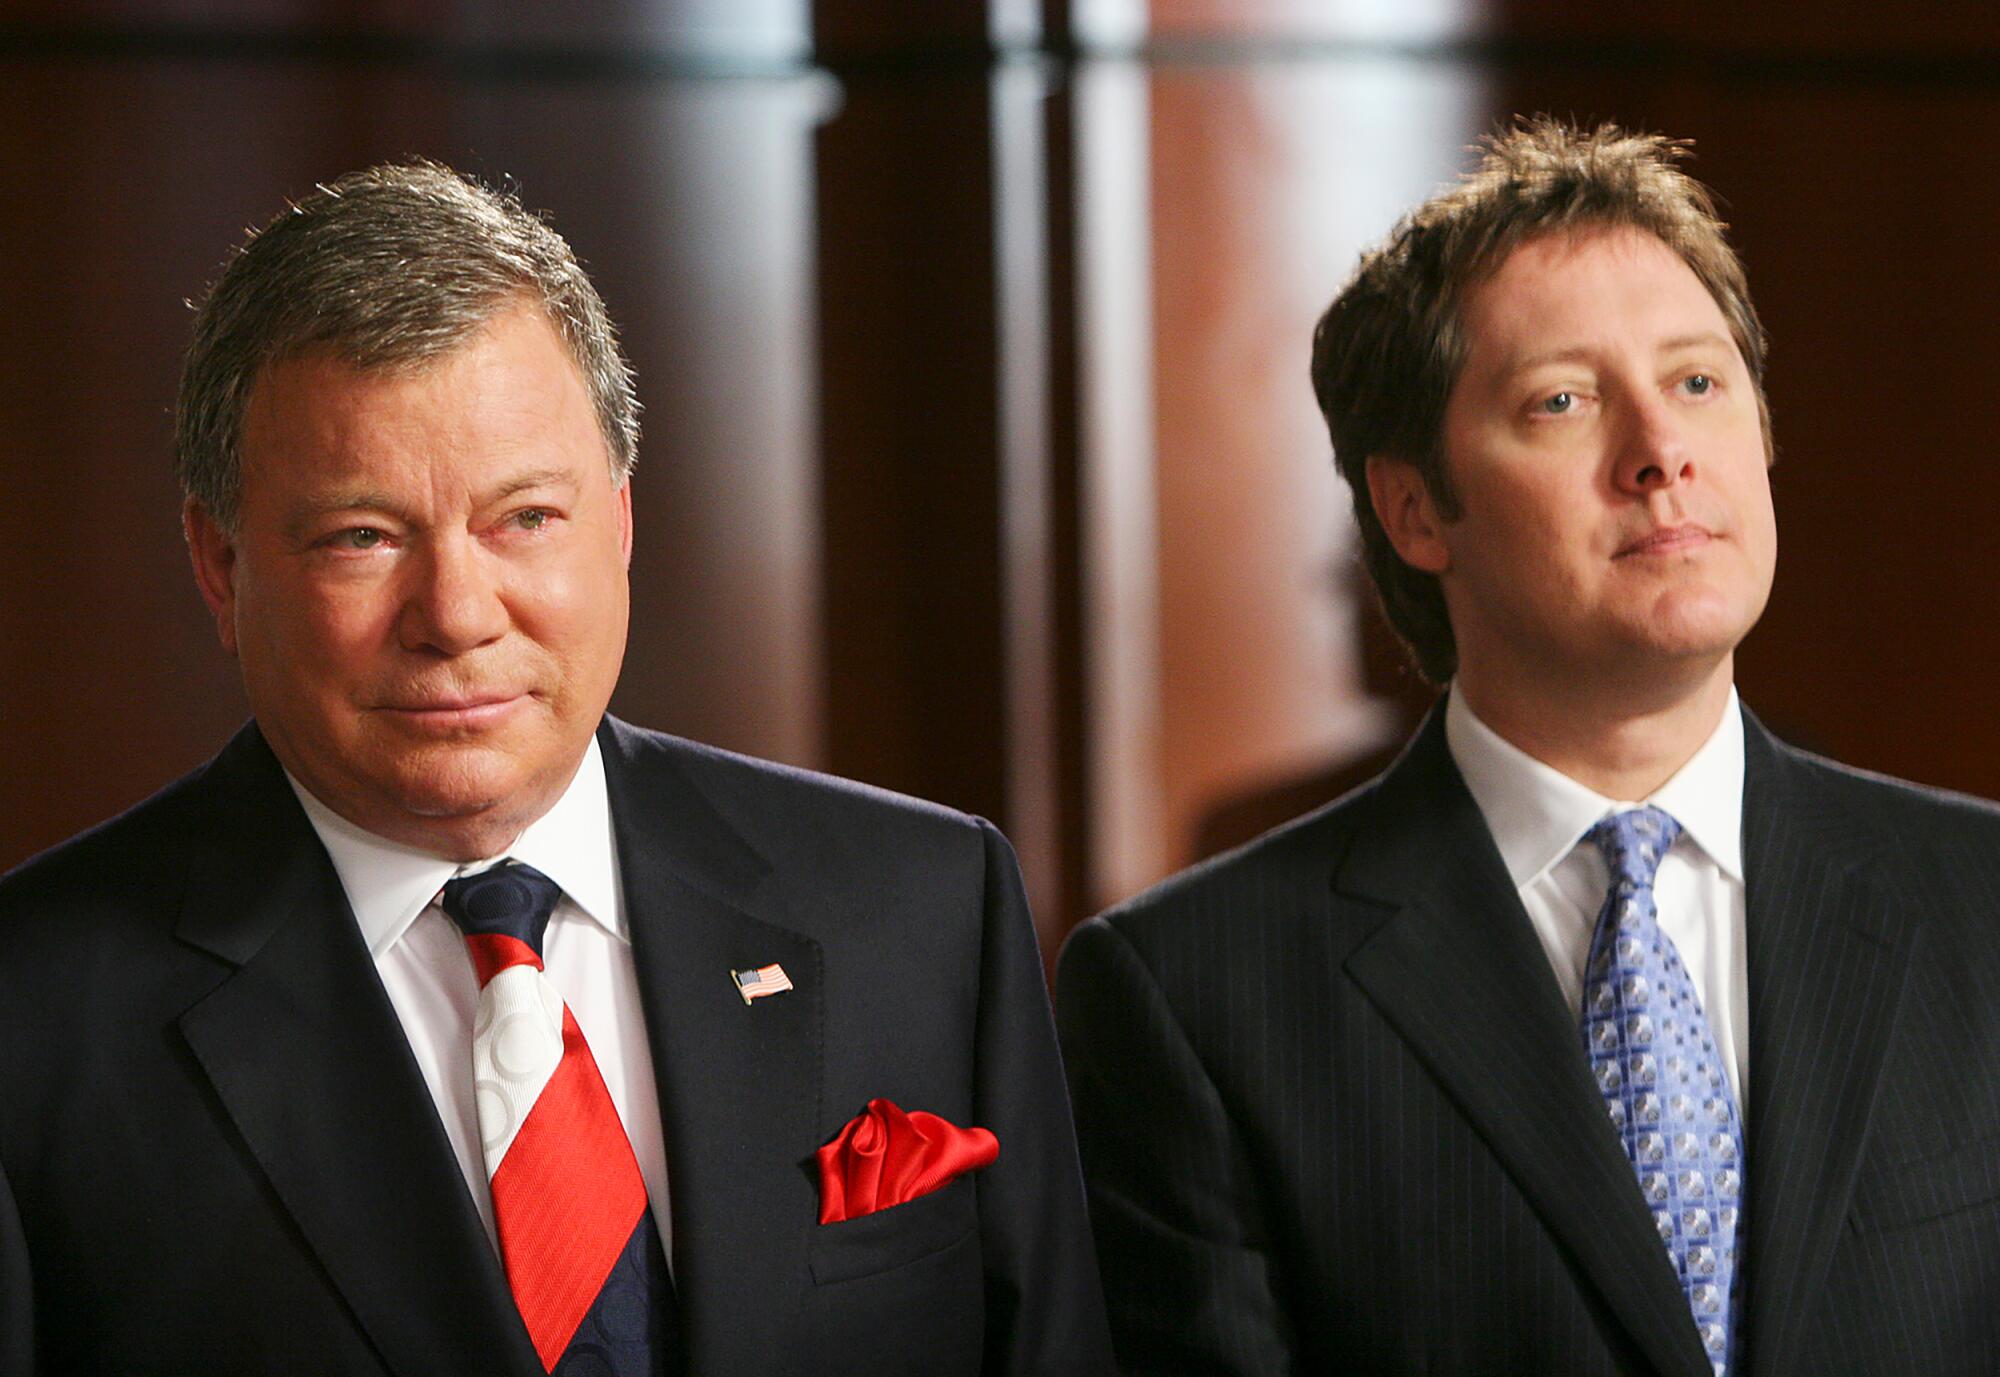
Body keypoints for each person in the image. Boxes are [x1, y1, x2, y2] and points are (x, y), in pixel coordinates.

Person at [0, 160, 1111, 1377]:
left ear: (620, 522)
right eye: (363, 537)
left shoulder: (924, 903)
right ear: (220, 565)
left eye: (523, 518)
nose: (458, 613)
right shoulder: (38, 1014)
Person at [1057, 118, 2000, 1376]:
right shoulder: (1194, 996)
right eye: (1561, 400)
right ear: (1411, 510)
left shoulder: (1977, 899)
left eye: (1697, 382)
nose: (1659, 452)